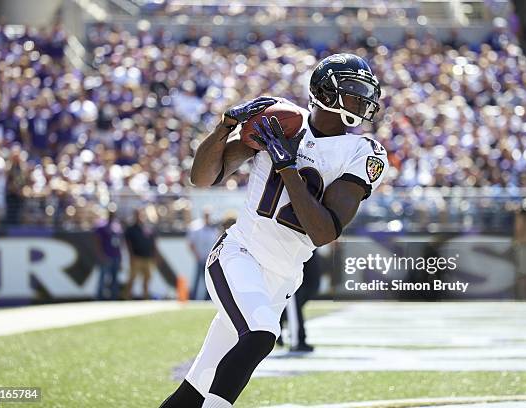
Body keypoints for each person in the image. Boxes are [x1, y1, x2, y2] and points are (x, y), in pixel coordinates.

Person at [159, 53, 390, 408]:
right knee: (261, 334)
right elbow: (202, 177)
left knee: (194, 391)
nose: (364, 99)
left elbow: (324, 232)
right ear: (325, 92)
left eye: (365, 91)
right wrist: (225, 127)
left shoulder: (363, 151)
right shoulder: (282, 123)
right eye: (353, 90)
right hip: (240, 255)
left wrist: (287, 168)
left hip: (283, 278)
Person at [279, 251, 321, 352]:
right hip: (292, 251)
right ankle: (297, 340)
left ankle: (278, 324)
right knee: (293, 302)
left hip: (307, 247)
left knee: (312, 284)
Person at [124, 208, 157, 300]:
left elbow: (153, 242)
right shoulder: (130, 229)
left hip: (147, 257)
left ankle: (145, 296)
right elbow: (128, 244)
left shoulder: (148, 228)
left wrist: (154, 255)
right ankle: (127, 296)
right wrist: (131, 256)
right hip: (137, 257)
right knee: (132, 278)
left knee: (147, 278)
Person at [187, 208, 219, 300]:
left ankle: (207, 298)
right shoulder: (196, 227)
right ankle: (193, 298)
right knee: (197, 279)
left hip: (209, 259)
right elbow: (191, 243)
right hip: (200, 258)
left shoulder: (213, 228)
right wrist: (196, 255)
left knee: (208, 280)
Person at [95, 210, 123, 300]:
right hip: (106, 255)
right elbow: (97, 241)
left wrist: (120, 257)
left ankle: (113, 298)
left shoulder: (117, 226)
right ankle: (100, 297)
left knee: (115, 278)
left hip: (116, 256)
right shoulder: (102, 226)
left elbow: (119, 243)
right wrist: (101, 254)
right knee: (103, 278)